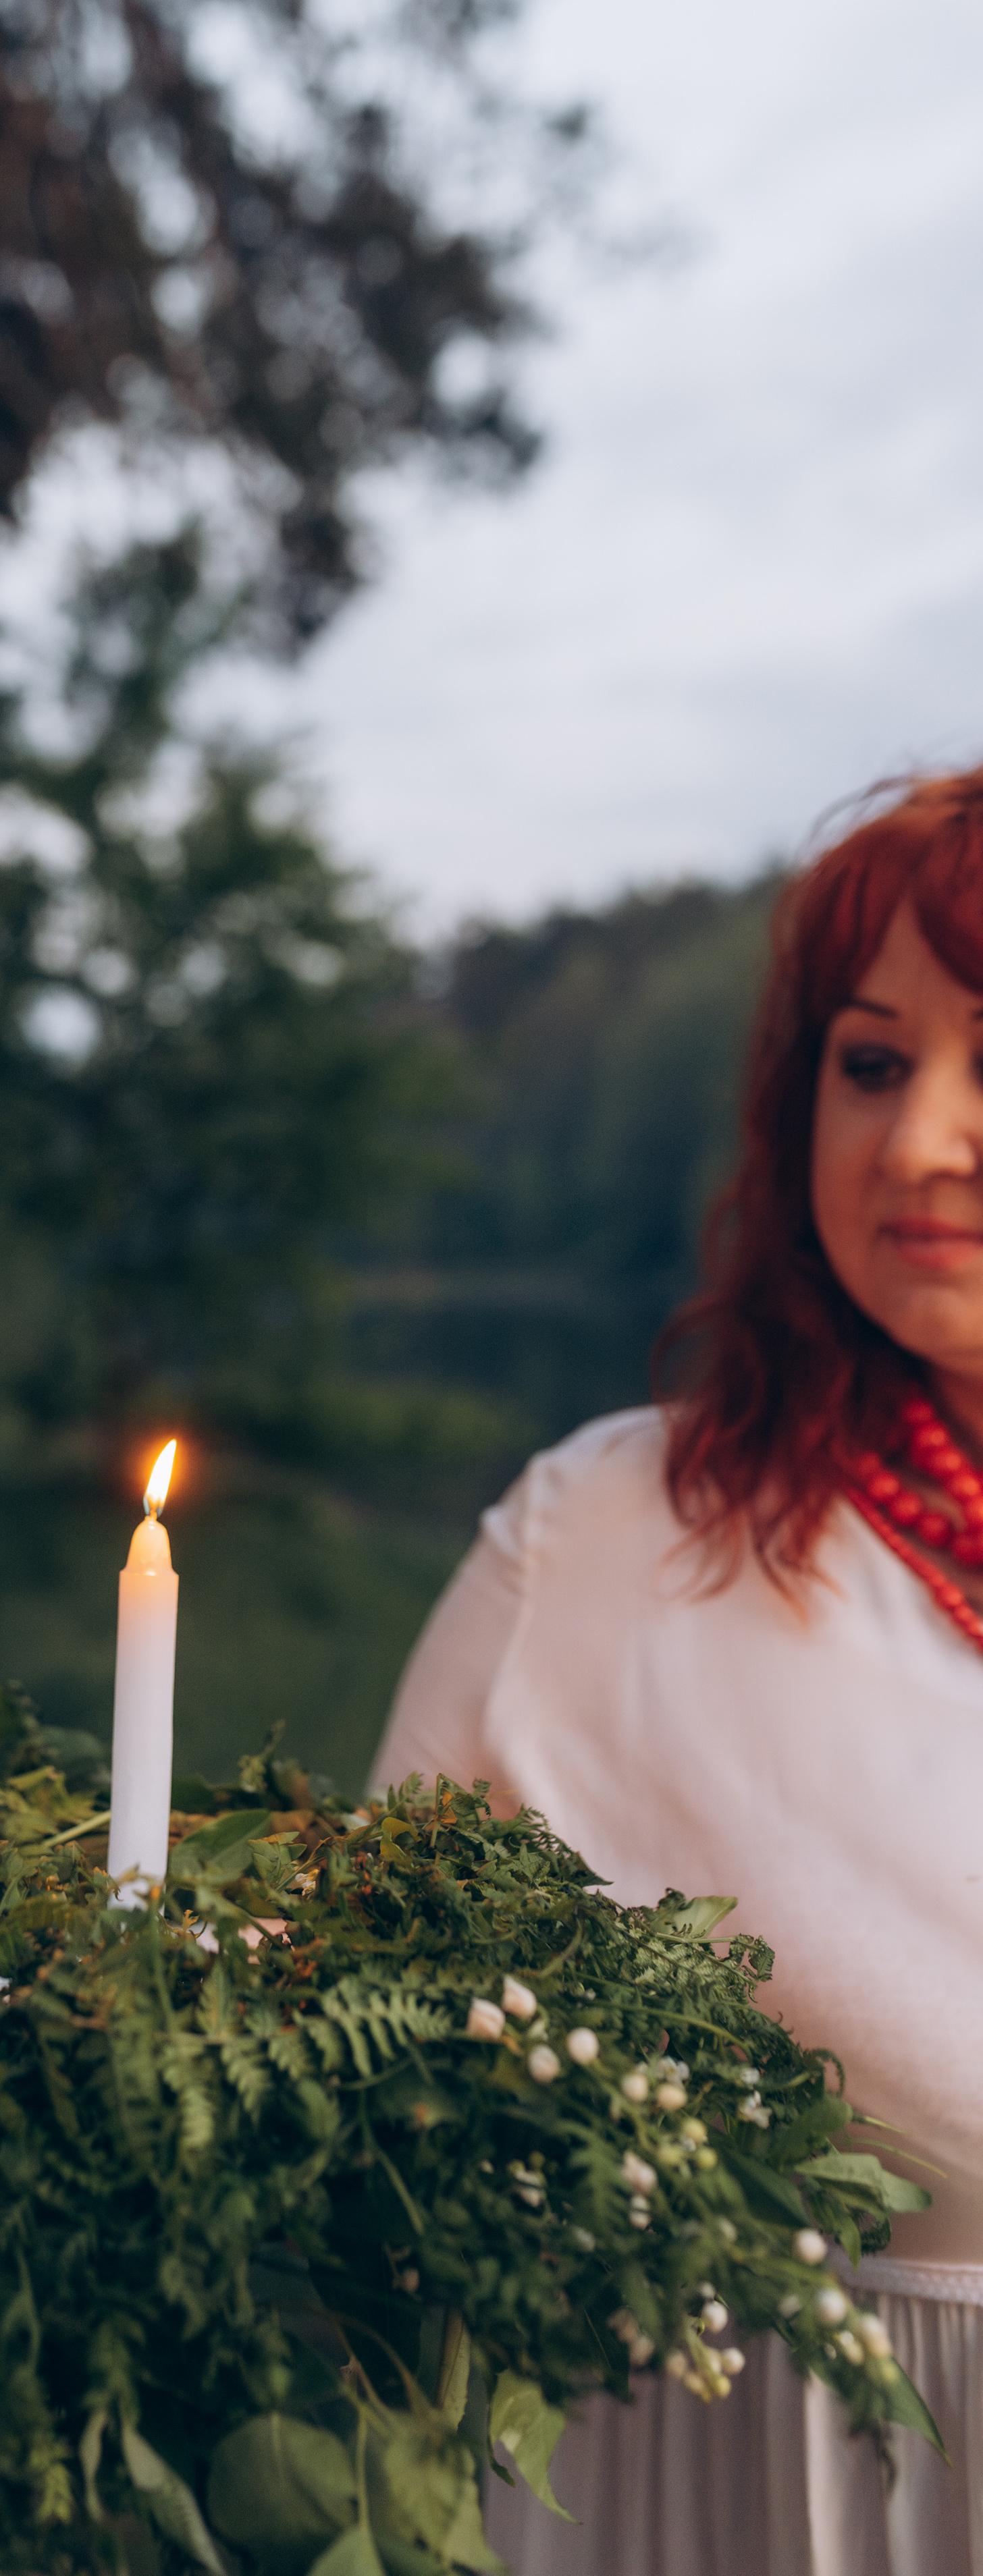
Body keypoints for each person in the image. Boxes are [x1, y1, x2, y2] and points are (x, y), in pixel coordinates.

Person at [371, 771, 983, 2576]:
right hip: (732, 2499)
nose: (921, 1139)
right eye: (870, 1064)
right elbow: (352, 2015)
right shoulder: (609, 1533)